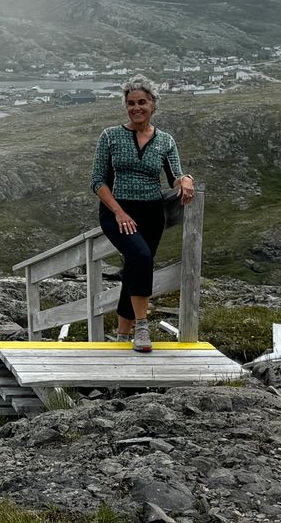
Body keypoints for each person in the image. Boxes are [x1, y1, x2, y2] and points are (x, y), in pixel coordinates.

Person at [90, 75, 195, 353]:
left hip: (151, 213)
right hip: (117, 211)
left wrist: (185, 179)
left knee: (136, 268)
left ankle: (122, 336)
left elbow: (174, 175)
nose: (136, 107)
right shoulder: (110, 136)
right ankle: (142, 327)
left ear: (153, 105)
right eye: (131, 103)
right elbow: (97, 181)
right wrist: (119, 212)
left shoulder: (165, 140)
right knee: (140, 257)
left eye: (142, 102)